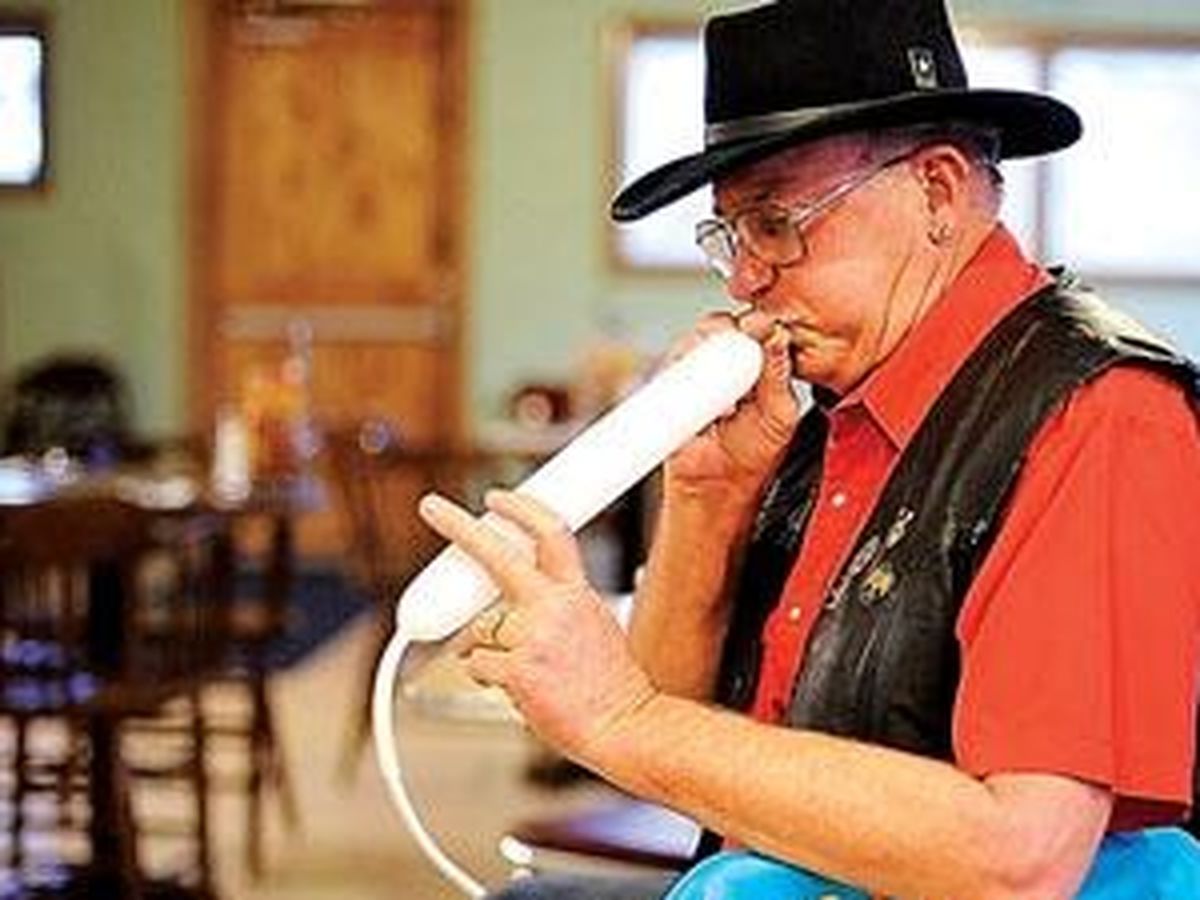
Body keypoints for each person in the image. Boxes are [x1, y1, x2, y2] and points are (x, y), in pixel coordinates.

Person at [418, 0, 1200, 896]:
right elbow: (666, 743)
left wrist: (619, 714)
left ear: (937, 192)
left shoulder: (1100, 413)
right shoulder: (833, 394)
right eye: (730, 237)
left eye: (775, 222)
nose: (748, 278)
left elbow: (1020, 859)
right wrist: (708, 500)